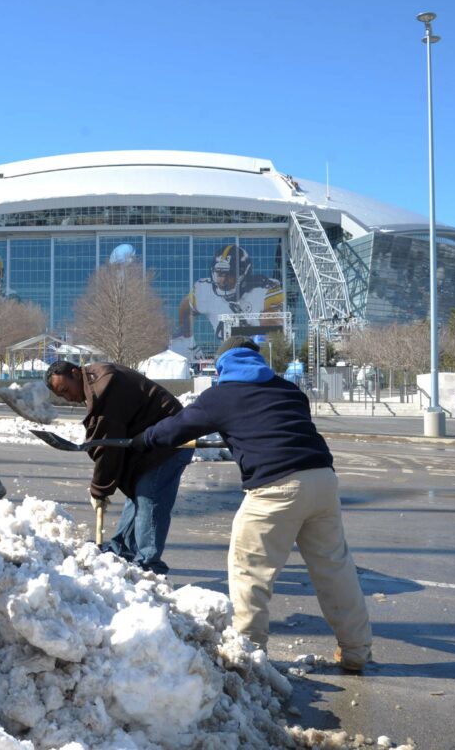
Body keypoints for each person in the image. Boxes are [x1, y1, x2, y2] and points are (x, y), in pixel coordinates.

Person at [131, 337, 373, 671]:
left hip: (275, 489)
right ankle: (356, 650)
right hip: (322, 480)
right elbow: (274, 426)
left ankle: (250, 655)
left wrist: (144, 439)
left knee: (249, 571)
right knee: (335, 569)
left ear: (222, 366)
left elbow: (176, 429)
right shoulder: (289, 390)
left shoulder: (220, 396)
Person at [45, 360, 194, 574]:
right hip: (150, 444)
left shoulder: (104, 389)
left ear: (76, 373)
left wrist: (99, 489)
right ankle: (121, 554)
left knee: (148, 499)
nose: (68, 397)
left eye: (66, 390)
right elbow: (107, 443)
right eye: (62, 396)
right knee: (136, 497)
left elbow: (108, 447)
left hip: (172, 441)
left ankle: (148, 566)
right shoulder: (96, 384)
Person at [172, 245, 284, 351]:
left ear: (244, 274)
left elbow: (273, 335)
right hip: (226, 353)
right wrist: (188, 341)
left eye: (230, 274)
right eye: (220, 274)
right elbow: (186, 307)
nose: (223, 280)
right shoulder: (204, 290)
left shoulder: (263, 291)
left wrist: (247, 331)